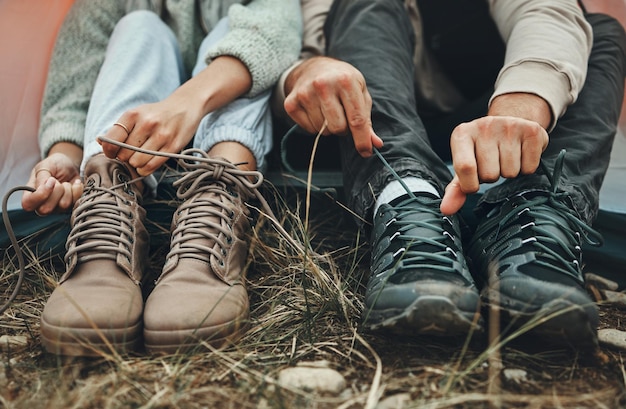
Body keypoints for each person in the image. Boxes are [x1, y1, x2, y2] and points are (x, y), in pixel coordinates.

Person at [278, 0, 626, 348]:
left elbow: (545, 11)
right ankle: (408, 205)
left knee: (597, 33)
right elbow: (301, 49)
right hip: (372, 129)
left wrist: (515, 112)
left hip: (472, 121)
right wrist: (307, 70)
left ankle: (529, 218)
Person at [19, 0, 302, 356]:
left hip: (221, 138)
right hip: (131, 155)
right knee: (139, 27)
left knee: (244, 41)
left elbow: (276, 33)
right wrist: (64, 156)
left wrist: (187, 102)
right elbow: (73, 92)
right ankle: (108, 199)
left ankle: (218, 192)